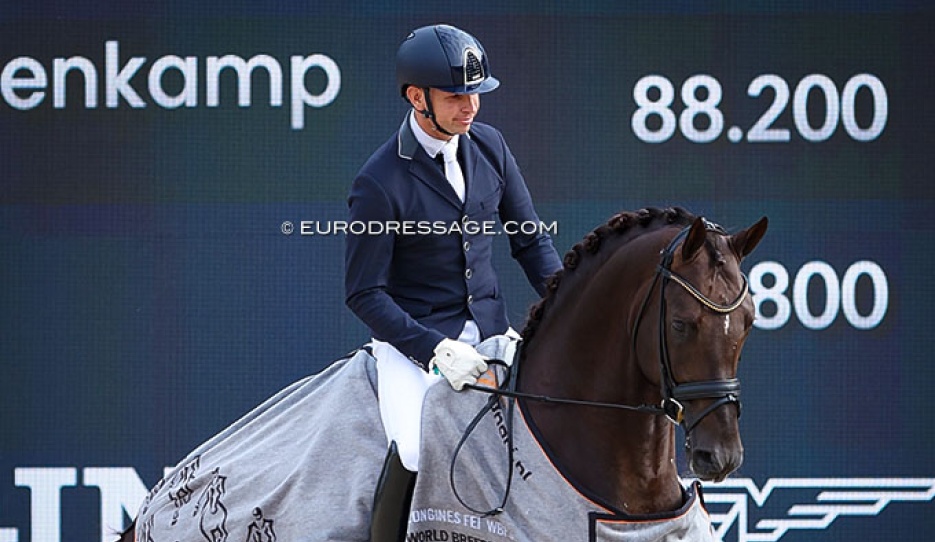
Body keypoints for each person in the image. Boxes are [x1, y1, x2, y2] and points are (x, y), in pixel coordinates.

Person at [344, 23, 562, 540]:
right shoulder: (379, 181)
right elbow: (363, 292)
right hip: (416, 342)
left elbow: (530, 242)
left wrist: (570, 303)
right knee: (415, 446)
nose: (470, 107)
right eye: (455, 96)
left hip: (491, 332)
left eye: (476, 94)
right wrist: (435, 350)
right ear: (417, 97)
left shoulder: (490, 146)